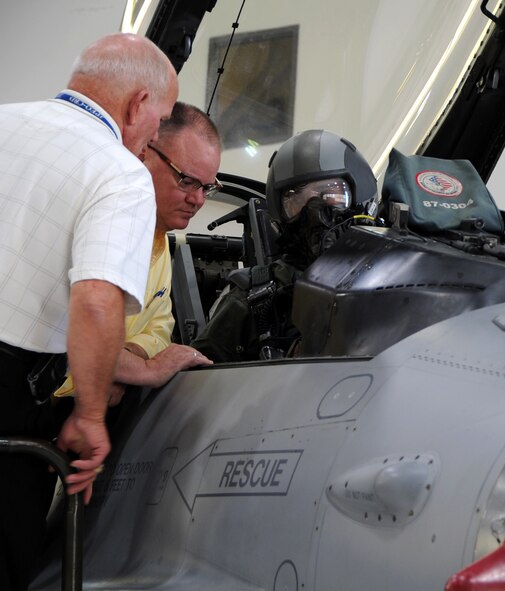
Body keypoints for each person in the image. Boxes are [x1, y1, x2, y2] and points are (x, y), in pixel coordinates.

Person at [0, 33, 178, 590]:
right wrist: (92, 415)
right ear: (137, 105)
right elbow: (98, 301)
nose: (153, 138)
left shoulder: (4, 120)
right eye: (161, 119)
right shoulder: (119, 174)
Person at [53, 102, 217, 407]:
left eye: (207, 187)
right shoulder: (96, 222)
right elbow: (64, 335)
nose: (197, 200)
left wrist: (126, 361)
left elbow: (160, 327)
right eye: (187, 180)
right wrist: (144, 370)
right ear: (143, 155)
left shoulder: (159, 242)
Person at [191, 129, 377, 362]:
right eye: (296, 199)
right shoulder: (255, 300)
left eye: (331, 193)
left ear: (361, 197)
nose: (315, 213)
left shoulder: (394, 281)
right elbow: (198, 380)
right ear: (280, 214)